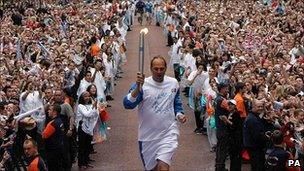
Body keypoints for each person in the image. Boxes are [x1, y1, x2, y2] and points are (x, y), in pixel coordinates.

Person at [123, 56, 186, 171]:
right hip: (148, 137)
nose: (159, 72)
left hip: (168, 133)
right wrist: (137, 88)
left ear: (166, 68)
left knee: (163, 167)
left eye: (162, 69)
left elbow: (176, 103)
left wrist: (179, 114)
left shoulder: (173, 83)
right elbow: (127, 104)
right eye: (156, 69)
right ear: (151, 69)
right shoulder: (143, 85)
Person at [243, 99, 267, 171]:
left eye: (261, 106)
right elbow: (257, 137)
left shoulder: (253, 116)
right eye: (258, 107)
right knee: (257, 167)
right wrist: (266, 137)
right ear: (253, 107)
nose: (260, 108)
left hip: (253, 147)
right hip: (255, 148)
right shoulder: (252, 119)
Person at [42, 104, 64, 171]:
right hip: (59, 148)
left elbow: (44, 136)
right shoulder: (60, 120)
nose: (48, 111)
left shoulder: (52, 123)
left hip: (52, 151)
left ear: (54, 112)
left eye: (50, 110)